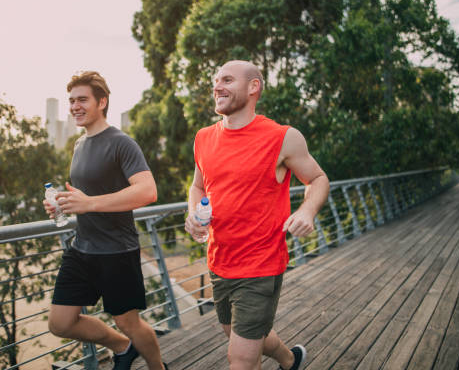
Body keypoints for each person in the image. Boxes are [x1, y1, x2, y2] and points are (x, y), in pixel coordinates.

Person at [185, 60, 330, 370]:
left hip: (261, 264)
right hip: (220, 261)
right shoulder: (203, 138)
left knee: (240, 358)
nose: (217, 86)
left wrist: (307, 210)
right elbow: (198, 187)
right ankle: (290, 360)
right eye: (216, 80)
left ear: (253, 87)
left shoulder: (283, 137)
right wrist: (194, 213)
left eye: (227, 79)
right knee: (239, 334)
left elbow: (318, 179)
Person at [44, 71, 168, 370]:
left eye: (82, 99)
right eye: (71, 100)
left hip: (117, 250)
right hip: (82, 249)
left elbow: (148, 191)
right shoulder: (78, 144)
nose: (75, 106)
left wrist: (89, 204)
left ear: (102, 101)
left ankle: (158, 368)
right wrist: (65, 202)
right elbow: (87, 193)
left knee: (129, 322)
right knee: (60, 323)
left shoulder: (121, 143)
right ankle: (122, 348)